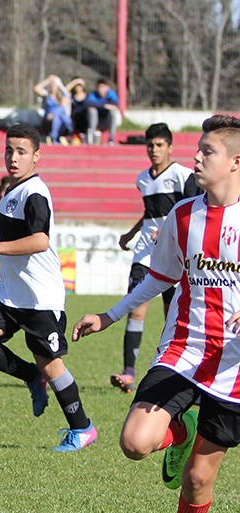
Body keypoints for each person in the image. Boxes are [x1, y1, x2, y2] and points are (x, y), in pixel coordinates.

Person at [71, 115, 240, 513]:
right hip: (184, 349)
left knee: (197, 479)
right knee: (135, 443)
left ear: (235, 162)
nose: (196, 157)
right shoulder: (182, 216)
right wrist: (109, 315)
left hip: (234, 368)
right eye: (198, 149)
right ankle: (180, 429)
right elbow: (159, 277)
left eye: (208, 151)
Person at [0, 123, 96, 452]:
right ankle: (32, 376)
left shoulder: (35, 192)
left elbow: (40, 241)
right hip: (9, 293)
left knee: (51, 364)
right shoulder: (12, 190)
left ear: (36, 156)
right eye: (9, 150)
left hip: (40, 298)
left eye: (21, 151)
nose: (13, 157)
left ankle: (82, 429)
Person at [110, 123, 200, 393]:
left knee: (172, 315)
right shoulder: (143, 179)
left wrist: (169, 229)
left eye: (160, 145)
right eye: (150, 145)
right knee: (136, 308)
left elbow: (192, 209)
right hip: (145, 252)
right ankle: (128, 372)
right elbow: (149, 213)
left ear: (170, 147)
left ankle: (175, 370)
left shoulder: (183, 175)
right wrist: (130, 234)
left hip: (174, 253)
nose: (154, 149)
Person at [33, 74, 72, 145]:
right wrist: (48, 80)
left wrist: (53, 114)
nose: (52, 86)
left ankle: (54, 138)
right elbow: (37, 88)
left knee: (58, 117)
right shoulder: (46, 94)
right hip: (48, 120)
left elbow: (62, 107)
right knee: (60, 118)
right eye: (51, 84)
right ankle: (56, 138)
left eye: (54, 84)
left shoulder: (62, 96)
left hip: (58, 117)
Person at [86, 78, 122, 145]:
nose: (101, 89)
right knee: (92, 111)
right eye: (100, 87)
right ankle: (91, 137)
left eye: (103, 87)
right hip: (95, 120)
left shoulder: (111, 94)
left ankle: (111, 138)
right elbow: (89, 103)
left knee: (113, 112)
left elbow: (115, 104)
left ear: (107, 87)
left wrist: (99, 105)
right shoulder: (93, 95)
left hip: (106, 120)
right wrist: (104, 105)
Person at [66, 77, 92, 145]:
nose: (78, 87)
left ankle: (86, 136)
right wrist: (76, 81)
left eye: (80, 85)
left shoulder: (88, 96)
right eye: (76, 85)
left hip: (84, 119)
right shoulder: (71, 96)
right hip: (74, 119)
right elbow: (65, 91)